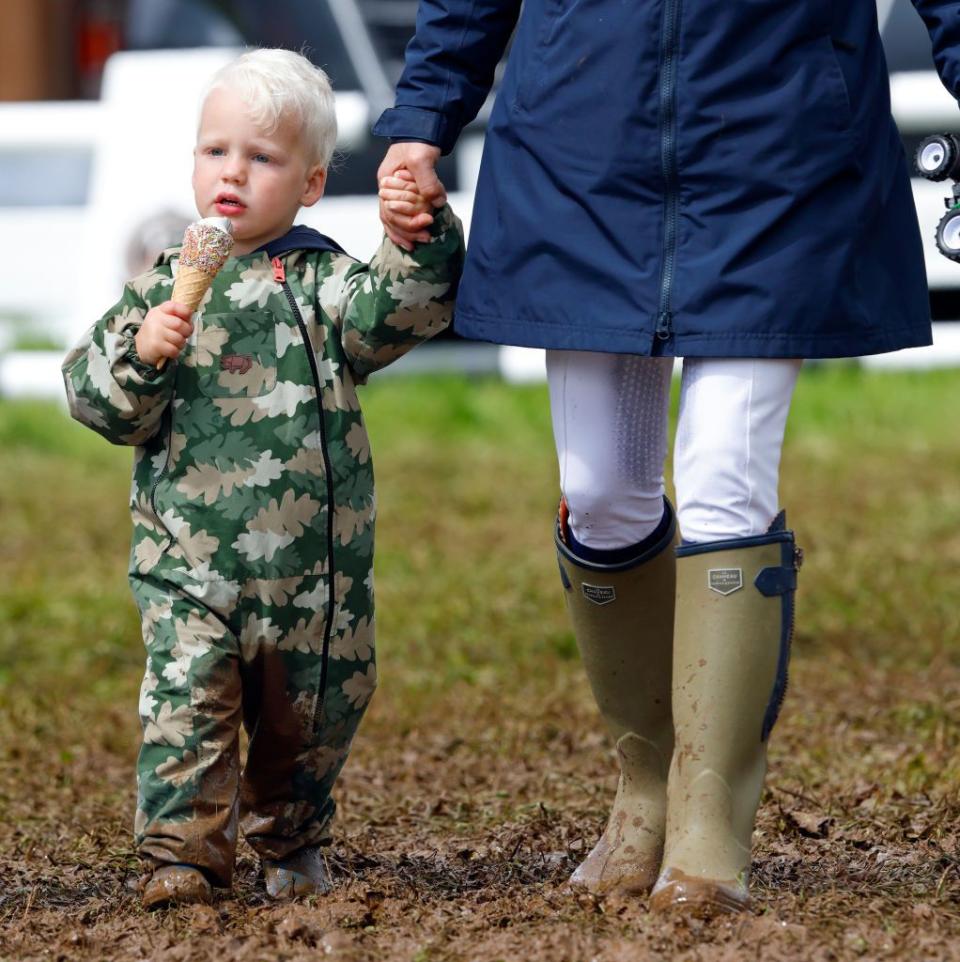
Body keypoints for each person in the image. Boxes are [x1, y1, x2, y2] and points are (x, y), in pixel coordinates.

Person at [374, 1, 947, 915]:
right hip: (581, 158)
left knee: (726, 480)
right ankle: (643, 784)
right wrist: (421, 120)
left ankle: (709, 812)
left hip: (780, 154)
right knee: (599, 492)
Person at [62, 48, 464, 909]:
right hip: (188, 565)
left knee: (310, 718)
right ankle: (183, 856)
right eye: (216, 152)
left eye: (263, 157)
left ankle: (291, 839)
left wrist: (416, 234)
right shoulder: (161, 289)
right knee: (186, 708)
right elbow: (95, 401)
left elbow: (397, 313)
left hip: (312, 578)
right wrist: (141, 357)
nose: (232, 174)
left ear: (311, 183)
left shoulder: (322, 282)